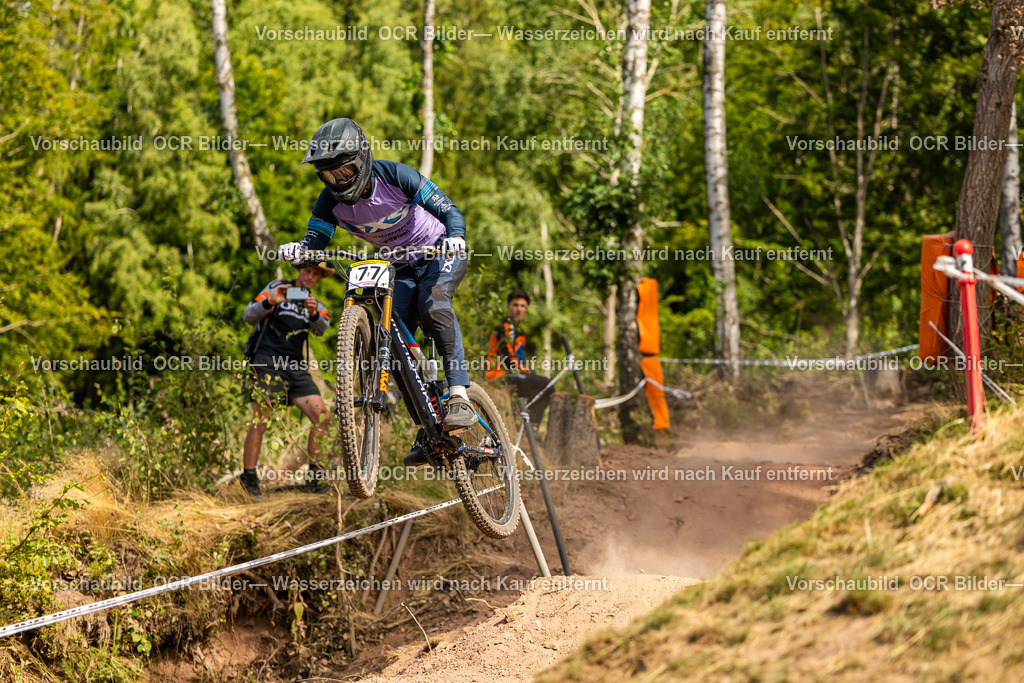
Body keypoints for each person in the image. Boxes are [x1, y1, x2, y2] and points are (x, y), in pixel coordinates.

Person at [277, 118, 475, 468]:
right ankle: (428, 429)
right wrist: (301, 250)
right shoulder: (330, 202)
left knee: (433, 305)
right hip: (397, 268)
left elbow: (448, 210)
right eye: (328, 176)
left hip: (438, 253)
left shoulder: (396, 176)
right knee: (390, 338)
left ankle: (459, 395)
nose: (338, 181)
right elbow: (316, 239)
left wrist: (455, 236)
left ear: (363, 158)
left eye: (344, 171)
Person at [238, 262, 333, 500]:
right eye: (308, 271)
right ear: (300, 271)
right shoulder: (276, 288)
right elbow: (247, 316)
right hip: (267, 360)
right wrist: (270, 301)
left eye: (316, 274)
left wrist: (313, 313)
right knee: (261, 418)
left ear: (319, 278)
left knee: (321, 416)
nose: (310, 277)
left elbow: (322, 329)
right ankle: (248, 478)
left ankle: (314, 477)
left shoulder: (315, 303)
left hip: (296, 366)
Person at [485, 290, 553, 425]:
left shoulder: (519, 332)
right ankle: (530, 426)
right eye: (515, 305)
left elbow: (519, 359)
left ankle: (527, 425)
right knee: (544, 384)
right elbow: (509, 360)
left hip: (512, 375)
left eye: (522, 306)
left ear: (526, 310)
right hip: (498, 376)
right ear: (508, 307)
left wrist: (529, 374)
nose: (519, 309)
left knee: (544, 385)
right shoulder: (504, 328)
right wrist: (529, 373)